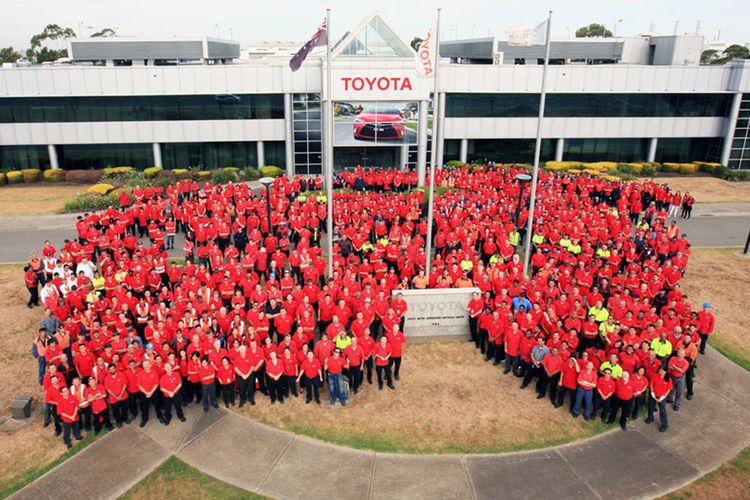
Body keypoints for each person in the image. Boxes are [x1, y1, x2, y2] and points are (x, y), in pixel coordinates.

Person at [138, 359, 164, 427]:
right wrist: (146, 392)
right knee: (144, 407)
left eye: (147, 364)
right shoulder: (140, 373)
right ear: (142, 366)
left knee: (157, 405)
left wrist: (151, 392)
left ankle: (160, 416)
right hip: (144, 393)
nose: (146, 366)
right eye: (144, 364)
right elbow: (139, 385)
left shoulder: (154, 372)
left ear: (150, 365)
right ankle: (144, 419)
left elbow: (156, 383)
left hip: (154, 392)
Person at [646, 366, 673, 432]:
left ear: (665, 372)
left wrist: (662, 398)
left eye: (662, 371)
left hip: (662, 397)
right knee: (651, 407)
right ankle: (650, 418)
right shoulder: (655, 376)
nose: (661, 372)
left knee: (662, 411)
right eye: (660, 370)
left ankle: (664, 425)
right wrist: (652, 394)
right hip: (653, 395)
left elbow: (668, 390)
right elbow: (651, 385)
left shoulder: (668, 379)